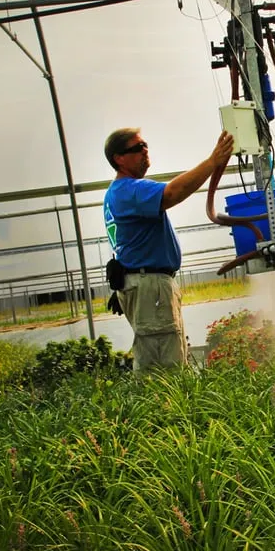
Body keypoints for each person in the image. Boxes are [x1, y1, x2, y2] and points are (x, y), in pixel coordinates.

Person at [102, 128, 234, 372]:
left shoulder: (115, 194)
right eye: (136, 148)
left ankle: (167, 407)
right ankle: (160, 410)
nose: (145, 151)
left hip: (144, 284)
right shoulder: (130, 189)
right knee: (161, 368)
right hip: (150, 287)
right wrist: (212, 162)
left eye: (145, 145)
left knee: (166, 355)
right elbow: (173, 192)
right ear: (118, 158)